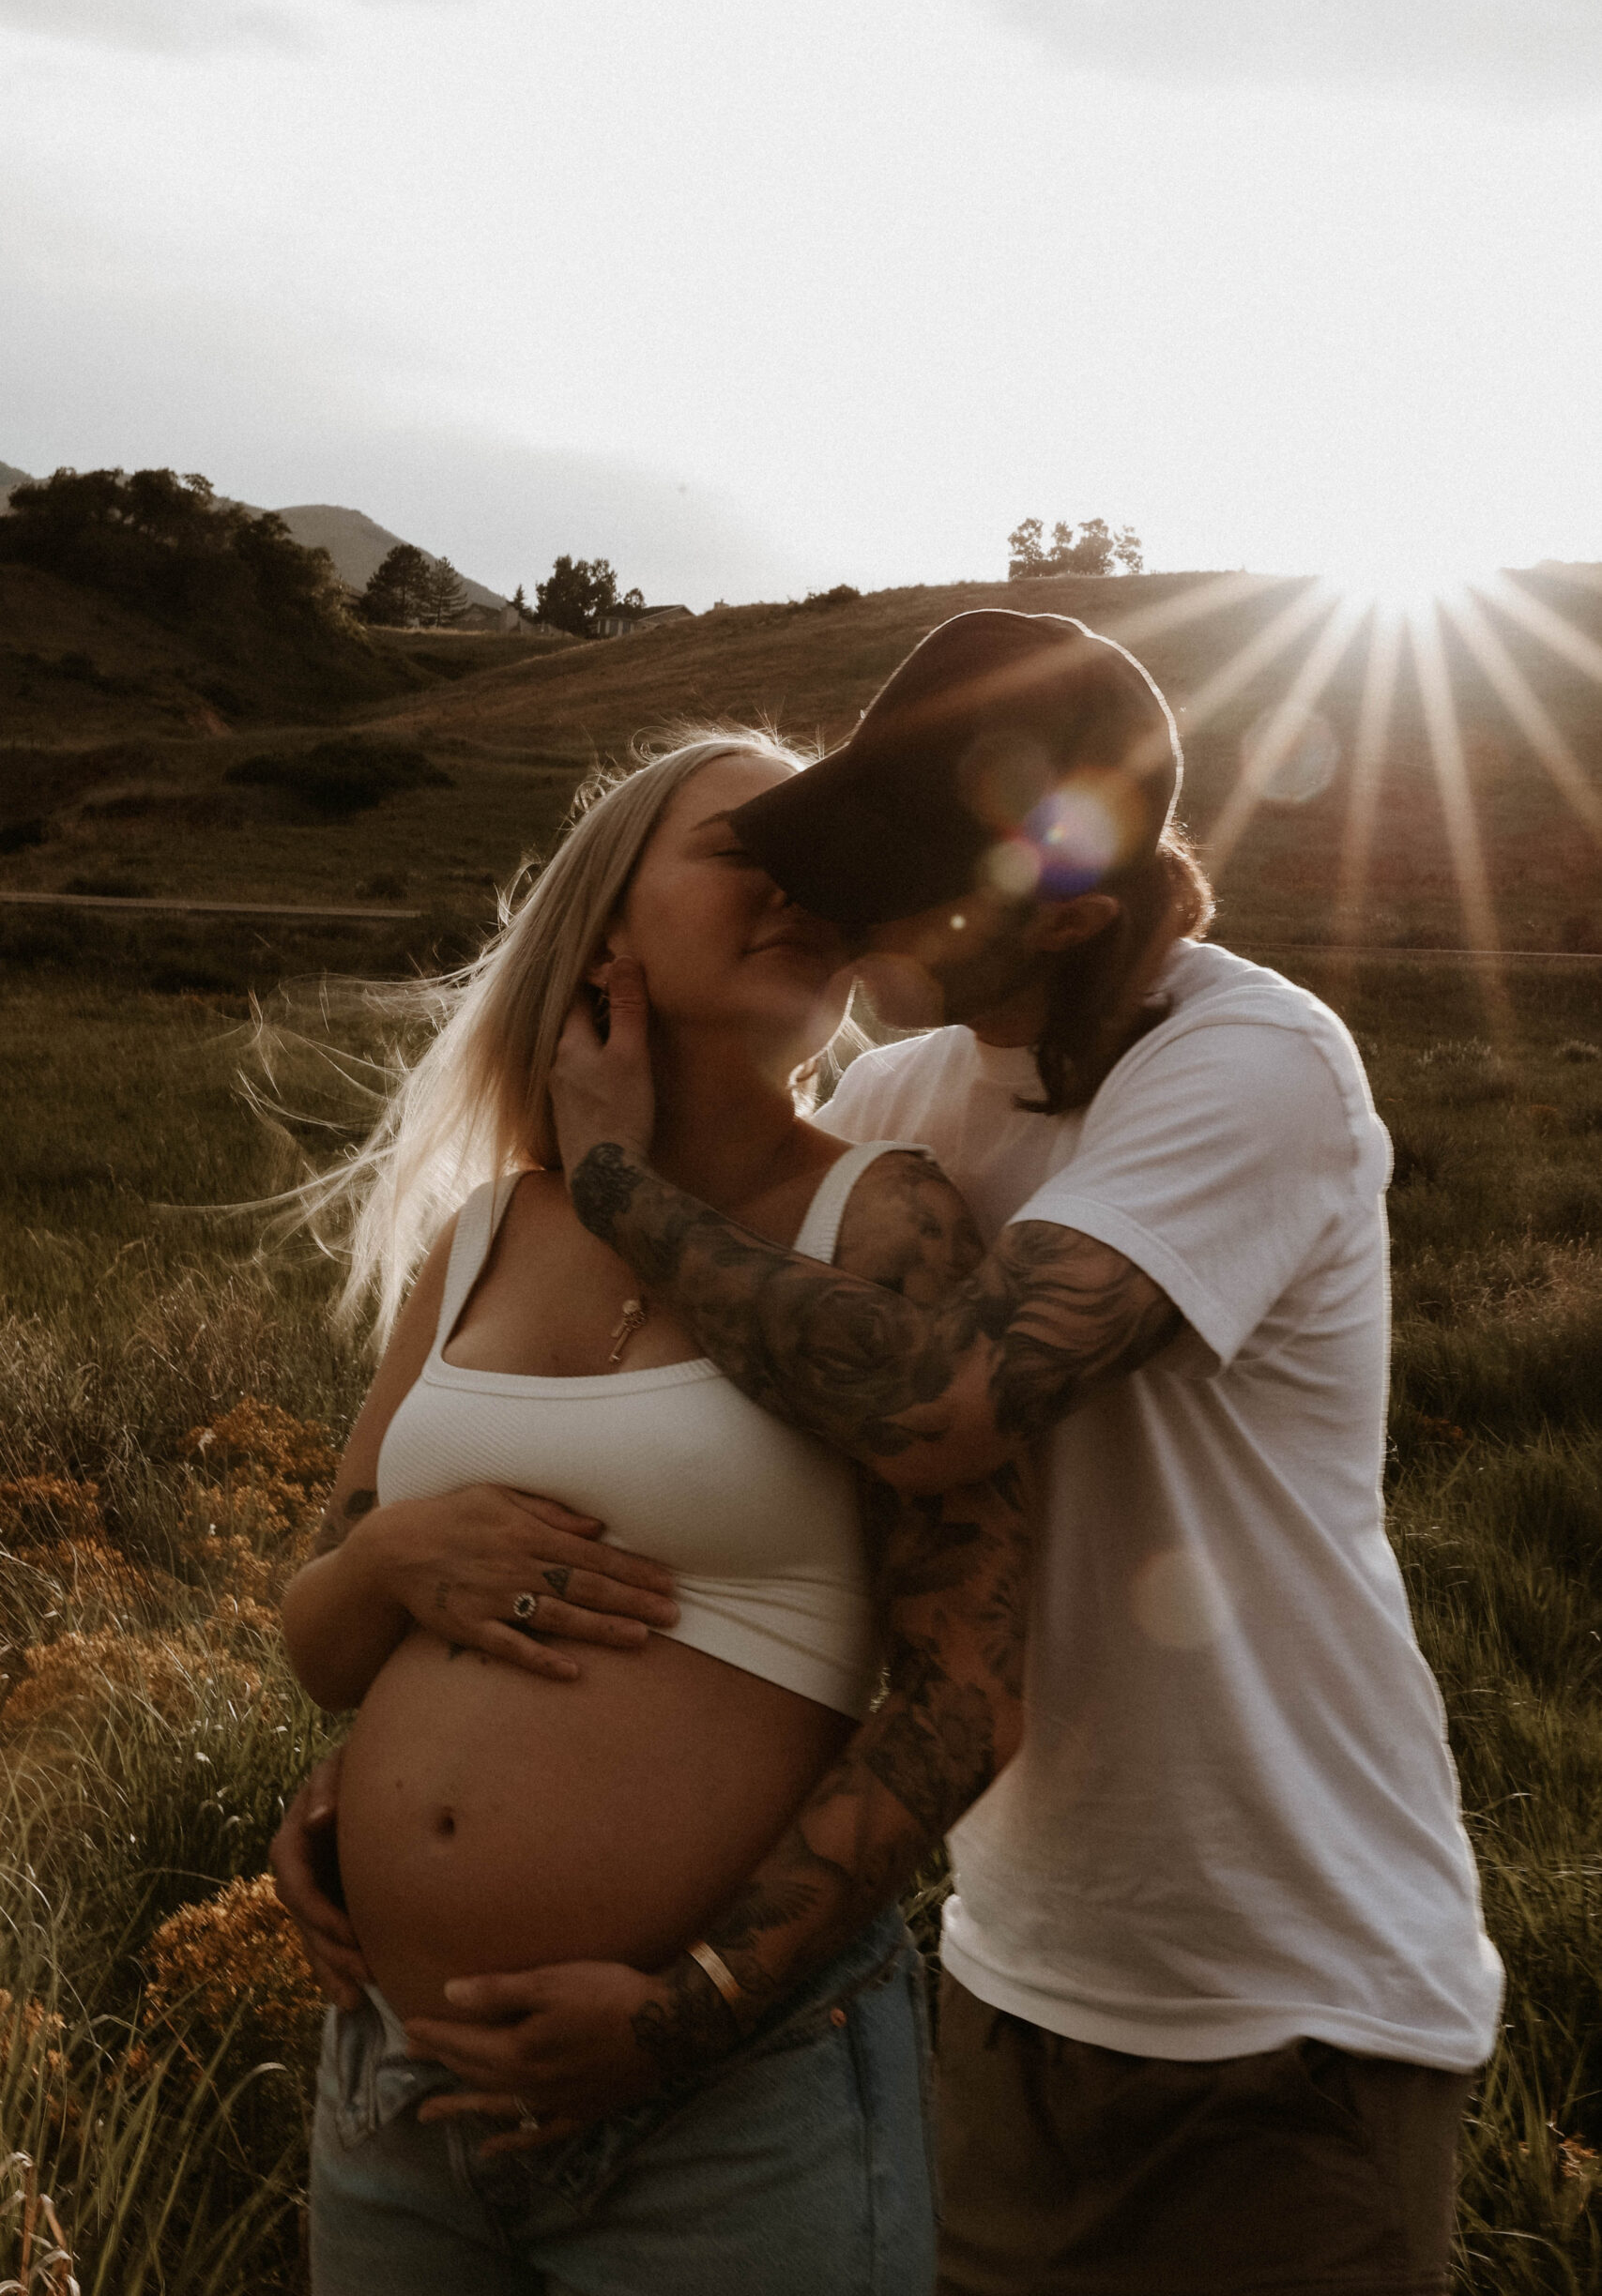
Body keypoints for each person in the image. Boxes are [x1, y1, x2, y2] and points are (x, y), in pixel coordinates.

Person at [540, 610, 1503, 2295]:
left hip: (1292, 2014)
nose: (842, 909)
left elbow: (943, 1407)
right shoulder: (916, 1094)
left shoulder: (1249, 1064)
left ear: (1061, 899)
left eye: (894, 878)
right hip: (1006, 1986)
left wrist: (619, 1182)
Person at [272, 729, 1028, 2296]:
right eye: (744, 850)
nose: (795, 892)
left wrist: (683, 2009)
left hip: (725, 2113)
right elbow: (321, 1639)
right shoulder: (482, 1234)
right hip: (398, 2088)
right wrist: (397, 1556)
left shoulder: (878, 1217)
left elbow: (967, 1694)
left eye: (821, 868)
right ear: (606, 921)